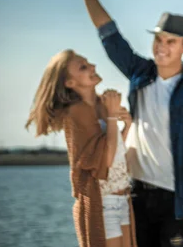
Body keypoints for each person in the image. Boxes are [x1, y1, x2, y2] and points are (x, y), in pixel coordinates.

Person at [65, 0, 183, 247]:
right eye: (159, 39)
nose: (162, 47)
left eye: (171, 41)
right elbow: (109, 36)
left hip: (176, 200)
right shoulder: (140, 73)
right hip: (134, 194)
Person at [25, 50, 136, 247]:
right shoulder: (76, 112)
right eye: (83, 67)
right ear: (70, 83)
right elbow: (103, 161)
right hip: (101, 202)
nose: (93, 67)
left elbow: (114, 151)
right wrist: (111, 117)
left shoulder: (102, 104)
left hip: (122, 197)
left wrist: (126, 127)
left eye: (89, 63)